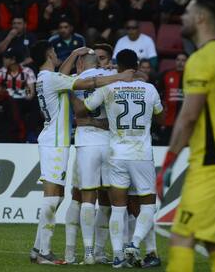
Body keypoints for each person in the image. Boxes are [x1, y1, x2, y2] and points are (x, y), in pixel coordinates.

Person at [156, 0, 215, 272]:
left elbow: (188, 116)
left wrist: (168, 163)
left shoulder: (201, 59)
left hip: (212, 164)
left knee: (182, 236)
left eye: (187, 11)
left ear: (201, 18)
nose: (182, 16)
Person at [28, 40, 134, 265]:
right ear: (49, 54)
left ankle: (38, 248)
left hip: (57, 141)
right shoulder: (53, 79)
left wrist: (75, 53)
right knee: (53, 197)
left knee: (59, 196)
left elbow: (64, 73)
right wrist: (119, 77)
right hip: (56, 143)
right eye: (55, 52)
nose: (58, 55)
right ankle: (43, 250)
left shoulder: (44, 78)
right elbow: (90, 82)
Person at [71, 49, 163, 268]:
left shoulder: (109, 87)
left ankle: (119, 256)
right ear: (138, 65)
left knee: (118, 207)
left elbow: (85, 109)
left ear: (116, 66)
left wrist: (71, 94)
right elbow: (161, 116)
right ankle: (136, 243)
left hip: (116, 154)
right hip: (141, 154)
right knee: (148, 203)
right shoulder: (149, 89)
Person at [59, 49, 113, 265]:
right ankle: (100, 251)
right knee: (108, 198)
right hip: (109, 142)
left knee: (81, 196)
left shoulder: (73, 80)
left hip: (85, 143)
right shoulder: (111, 78)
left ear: (80, 63)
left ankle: (81, 253)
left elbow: (60, 77)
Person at [157, 53, 187, 144]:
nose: (180, 63)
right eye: (178, 60)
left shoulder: (192, 76)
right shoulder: (166, 75)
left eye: (183, 60)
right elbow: (158, 94)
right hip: (169, 121)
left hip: (185, 123)